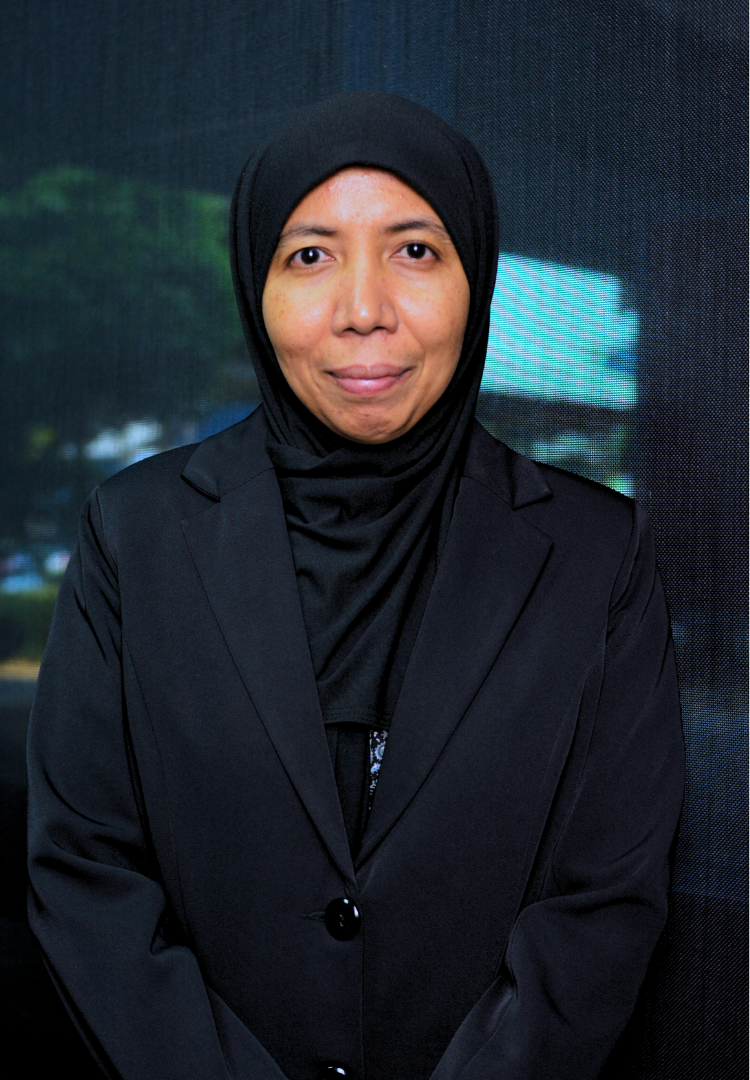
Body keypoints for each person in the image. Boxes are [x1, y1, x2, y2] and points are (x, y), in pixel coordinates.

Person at [26, 92, 684, 1080]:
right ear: (255, 285)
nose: (364, 309)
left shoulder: (598, 554)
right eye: (310, 256)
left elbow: (604, 902)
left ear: (477, 277)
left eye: (415, 250)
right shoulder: (136, 535)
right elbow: (86, 874)